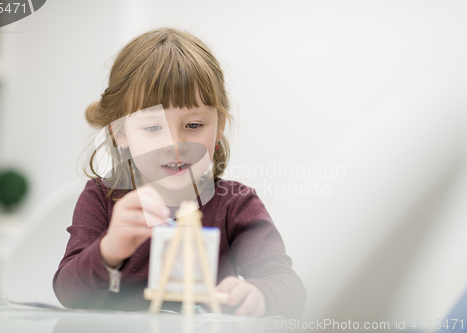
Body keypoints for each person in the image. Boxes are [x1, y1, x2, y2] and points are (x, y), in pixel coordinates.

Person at [52, 27, 306, 318]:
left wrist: (261, 295)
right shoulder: (102, 198)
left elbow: (290, 288)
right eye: (152, 128)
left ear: (219, 127)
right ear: (121, 132)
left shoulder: (236, 204)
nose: (174, 145)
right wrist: (108, 250)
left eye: (194, 125)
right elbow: (68, 294)